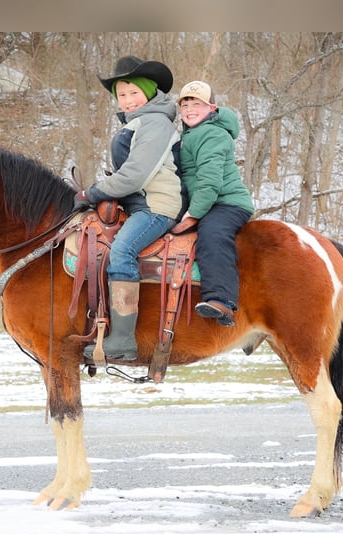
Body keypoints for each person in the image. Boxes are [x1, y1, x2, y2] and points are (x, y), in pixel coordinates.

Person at [77, 56, 184, 361]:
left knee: (122, 251)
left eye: (133, 93)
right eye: (121, 95)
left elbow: (136, 175)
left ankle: (122, 340)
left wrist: (93, 192)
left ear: (149, 93)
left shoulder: (156, 123)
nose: (127, 100)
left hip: (156, 206)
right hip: (138, 202)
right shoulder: (141, 122)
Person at [177, 80, 254, 327]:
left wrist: (192, 214)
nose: (189, 109)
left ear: (211, 108)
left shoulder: (213, 134)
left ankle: (221, 301)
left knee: (211, 234)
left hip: (226, 203)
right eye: (185, 104)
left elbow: (210, 183)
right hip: (208, 201)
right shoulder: (190, 134)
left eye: (196, 104)